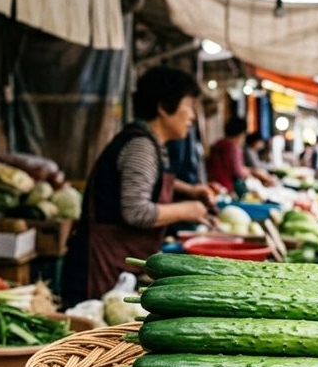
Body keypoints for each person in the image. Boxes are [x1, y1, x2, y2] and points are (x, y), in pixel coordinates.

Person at [61, 66, 216, 307]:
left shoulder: (151, 142)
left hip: (117, 262)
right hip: (100, 266)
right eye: (189, 106)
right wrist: (188, 209)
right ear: (164, 107)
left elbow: (149, 179)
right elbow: (136, 211)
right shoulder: (141, 146)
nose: (193, 117)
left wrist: (190, 190)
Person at [206, 116, 249, 196]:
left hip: (212, 185)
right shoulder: (233, 147)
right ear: (241, 133)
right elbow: (238, 172)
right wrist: (248, 172)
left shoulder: (217, 145)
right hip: (226, 188)